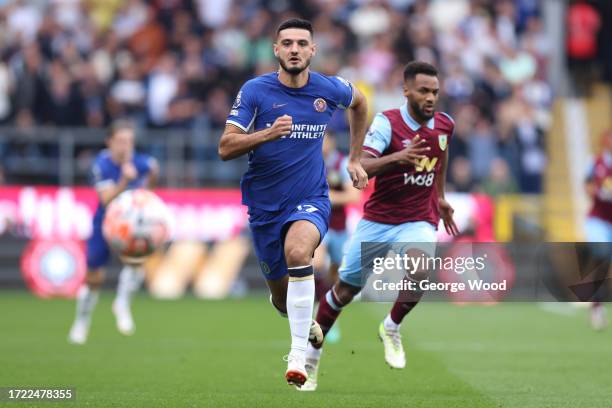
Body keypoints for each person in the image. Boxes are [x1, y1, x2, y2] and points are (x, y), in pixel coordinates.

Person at [218, 18, 369, 387]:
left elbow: (361, 103)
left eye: (302, 43)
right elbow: (225, 147)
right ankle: (300, 320)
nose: (295, 49)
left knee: (299, 253)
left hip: (310, 197)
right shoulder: (255, 91)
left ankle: (298, 355)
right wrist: (267, 133)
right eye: (287, 43)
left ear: (313, 50)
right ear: (276, 50)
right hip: (265, 206)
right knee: (282, 300)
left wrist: (354, 157)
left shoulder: (329, 88)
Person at [300, 61, 459, 391]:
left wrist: (440, 197)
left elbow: (440, 159)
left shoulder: (445, 125)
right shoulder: (387, 124)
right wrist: (397, 159)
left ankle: (391, 325)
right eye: (424, 91)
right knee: (343, 292)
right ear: (406, 91)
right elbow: (363, 166)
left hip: (418, 218)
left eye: (435, 92)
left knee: (420, 268)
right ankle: (310, 360)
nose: (431, 98)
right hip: (378, 220)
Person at [68, 121, 159, 345]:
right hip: (105, 223)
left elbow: (153, 170)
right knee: (94, 278)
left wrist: (146, 190)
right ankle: (82, 321)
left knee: (137, 261)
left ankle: (122, 304)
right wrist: (125, 180)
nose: (125, 146)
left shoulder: (140, 161)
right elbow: (106, 199)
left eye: (129, 141)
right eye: (120, 141)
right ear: (109, 142)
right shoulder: (102, 164)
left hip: (131, 224)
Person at [312, 131, 363, 343]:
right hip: (317, 226)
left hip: (339, 228)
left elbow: (354, 195)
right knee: (316, 265)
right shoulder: (309, 163)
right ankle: (315, 318)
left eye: (325, 139)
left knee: (336, 277)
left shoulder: (341, 164)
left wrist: (327, 198)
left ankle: (328, 319)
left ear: (332, 141)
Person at [584, 129, 612, 330]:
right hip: (599, 220)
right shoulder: (595, 163)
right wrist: (601, 193)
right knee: (602, 258)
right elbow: (587, 186)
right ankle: (596, 305)